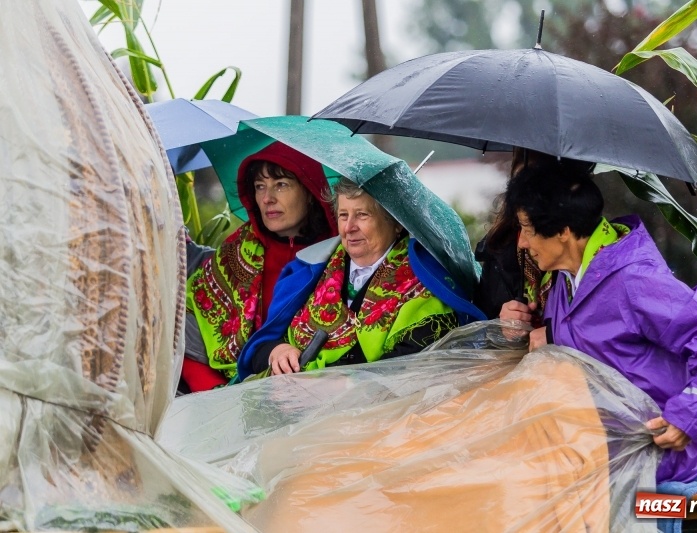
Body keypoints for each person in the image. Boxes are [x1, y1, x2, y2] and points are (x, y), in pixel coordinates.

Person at [500, 164, 697, 484]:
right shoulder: (563, 279)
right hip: (595, 461)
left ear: (563, 231)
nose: (521, 242)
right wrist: (523, 325)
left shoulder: (634, 280)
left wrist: (689, 417)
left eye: (527, 228)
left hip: (653, 463)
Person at [236, 178, 485, 380]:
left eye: (362, 215)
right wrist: (276, 351)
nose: (349, 227)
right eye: (343, 215)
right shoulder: (306, 270)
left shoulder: (426, 282)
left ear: (396, 223)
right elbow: (260, 347)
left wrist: (348, 385)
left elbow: (417, 366)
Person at [181, 142, 337, 392]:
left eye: (281, 185)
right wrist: (216, 396)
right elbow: (187, 333)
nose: (267, 198)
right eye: (259, 187)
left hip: (307, 393)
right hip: (215, 397)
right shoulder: (236, 251)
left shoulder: (340, 254)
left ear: (309, 190)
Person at [473, 149, 593, 324]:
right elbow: (481, 326)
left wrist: (553, 335)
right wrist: (503, 325)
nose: (525, 195)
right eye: (519, 184)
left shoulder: (592, 260)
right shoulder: (500, 246)